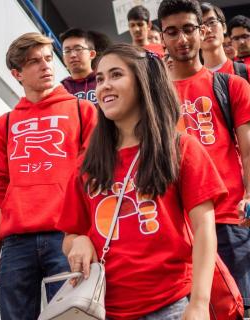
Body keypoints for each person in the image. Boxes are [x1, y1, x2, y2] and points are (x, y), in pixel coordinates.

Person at [57, 43, 223, 320]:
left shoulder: (182, 148)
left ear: (144, 82)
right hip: (102, 309)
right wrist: (79, 241)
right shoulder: (87, 164)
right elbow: (69, 236)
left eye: (116, 75)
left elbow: (205, 230)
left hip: (171, 306)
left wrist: (199, 303)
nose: (104, 86)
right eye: (100, 78)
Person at [0, 32, 97, 320]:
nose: (46, 66)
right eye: (34, 61)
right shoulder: (5, 123)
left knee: (73, 316)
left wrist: (87, 236)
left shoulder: (83, 111)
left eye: (48, 59)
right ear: (16, 73)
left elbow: (94, 179)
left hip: (67, 237)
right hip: (16, 244)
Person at [159, 0, 250, 314]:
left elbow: (248, 150)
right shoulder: (155, 97)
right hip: (174, 225)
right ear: (161, 38)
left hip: (228, 216)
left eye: (188, 29)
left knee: (236, 308)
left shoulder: (231, 85)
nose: (182, 39)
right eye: (172, 32)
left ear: (201, 31)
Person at [200, 2, 250, 80]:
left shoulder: (246, 72)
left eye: (212, 22)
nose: (208, 30)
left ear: (224, 27)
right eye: (200, 26)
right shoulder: (186, 82)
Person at [60, 28, 98, 104]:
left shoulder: (103, 81)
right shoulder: (61, 90)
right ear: (63, 59)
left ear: (92, 54)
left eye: (78, 49)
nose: (72, 55)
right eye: (67, 51)